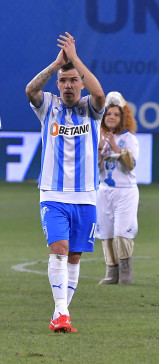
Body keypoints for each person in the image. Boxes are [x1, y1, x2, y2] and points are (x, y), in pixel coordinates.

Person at [26, 32, 106, 333]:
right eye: (63, 81)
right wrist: (56, 64)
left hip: (86, 196)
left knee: (74, 256)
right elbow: (30, 89)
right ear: (57, 85)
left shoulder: (91, 109)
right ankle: (61, 312)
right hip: (53, 193)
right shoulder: (48, 105)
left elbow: (100, 95)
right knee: (58, 249)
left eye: (73, 80)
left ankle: (61, 312)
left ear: (81, 83)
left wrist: (75, 59)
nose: (68, 85)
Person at [96, 91, 139, 285]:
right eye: (108, 114)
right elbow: (93, 166)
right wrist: (99, 150)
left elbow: (130, 165)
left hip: (125, 191)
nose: (111, 117)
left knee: (122, 231)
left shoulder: (129, 139)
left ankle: (125, 272)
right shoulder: (100, 137)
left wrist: (116, 148)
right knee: (106, 232)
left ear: (123, 118)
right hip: (104, 190)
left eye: (116, 114)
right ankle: (111, 272)